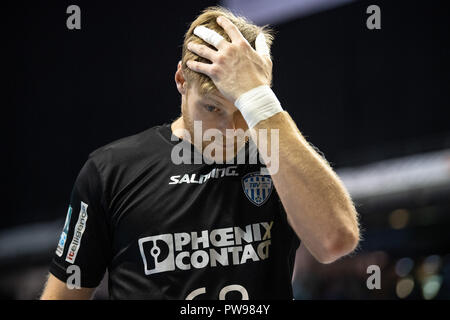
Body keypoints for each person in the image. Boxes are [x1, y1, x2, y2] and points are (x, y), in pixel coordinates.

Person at [40, 6, 359, 300]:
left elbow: (336, 240)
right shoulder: (111, 170)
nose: (230, 130)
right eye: (212, 107)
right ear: (181, 80)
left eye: (243, 111)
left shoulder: (278, 158)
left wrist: (258, 99)